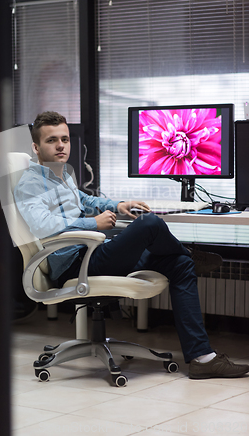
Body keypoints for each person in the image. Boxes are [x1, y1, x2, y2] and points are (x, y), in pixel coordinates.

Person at [14, 111, 249, 379]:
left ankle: (202, 358)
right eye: (51, 140)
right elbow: (44, 224)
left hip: (94, 253)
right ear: (36, 147)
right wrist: (94, 224)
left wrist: (117, 205)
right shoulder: (29, 184)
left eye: (65, 139)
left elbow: (84, 200)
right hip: (75, 264)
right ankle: (189, 254)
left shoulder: (62, 175)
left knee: (180, 265)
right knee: (149, 224)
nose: (60, 146)